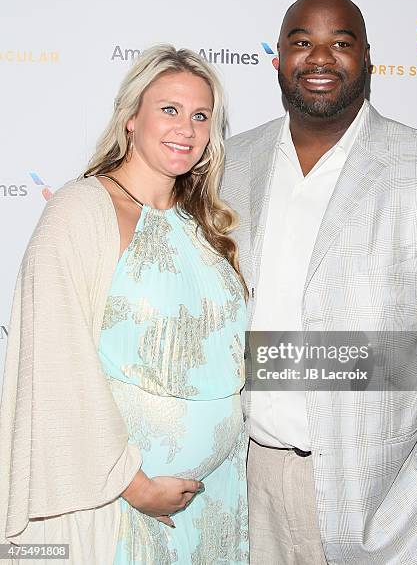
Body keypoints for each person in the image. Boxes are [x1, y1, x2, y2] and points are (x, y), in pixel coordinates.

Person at [222, 0, 417, 564]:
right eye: (302, 42)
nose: (319, 58)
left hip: (387, 498)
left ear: (367, 58)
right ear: (278, 58)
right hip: (247, 487)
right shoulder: (227, 164)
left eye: (339, 43)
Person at [0, 45, 249, 564]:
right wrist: (130, 483)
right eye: (169, 110)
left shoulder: (205, 225)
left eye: (201, 115)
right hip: (119, 507)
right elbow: (54, 360)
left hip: (215, 502)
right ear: (131, 119)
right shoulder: (81, 211)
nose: (186, 127)